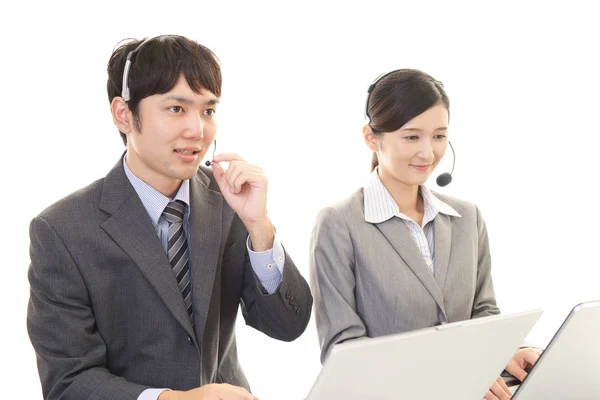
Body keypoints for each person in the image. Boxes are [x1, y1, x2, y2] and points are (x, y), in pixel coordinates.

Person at [27, 35, 312, 400]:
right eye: (176, 109)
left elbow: (289, 326)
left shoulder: (229, 199)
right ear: (124, 114)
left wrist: (260, 228)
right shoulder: (62, 230)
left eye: (208, 110)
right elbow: (68, 382)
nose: (197, 130)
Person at [309, 69, 540, 400]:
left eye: (439, 136)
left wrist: (509, 353)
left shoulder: (467, 218)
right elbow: (343, 350)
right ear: (371, 138)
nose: (428, 153)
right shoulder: (338, 224)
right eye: (412, 136)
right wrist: (451, 376)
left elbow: (484, 316)